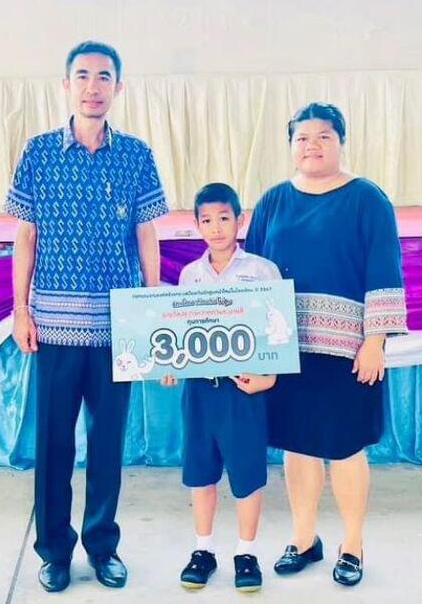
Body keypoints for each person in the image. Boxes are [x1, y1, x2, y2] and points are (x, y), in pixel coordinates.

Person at [6, 41, 168, 593]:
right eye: (82, 76)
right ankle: (53, 551)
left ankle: (103, 546)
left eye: (103, 77)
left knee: (107, 443)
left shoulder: (136, 154)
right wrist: (21, 310)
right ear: (66, 85)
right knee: (54, 443)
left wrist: (152, 308)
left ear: (118, 88)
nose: (92, 87)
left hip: (119, 327)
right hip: (53, 325)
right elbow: (25, 236)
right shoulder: (38, 152)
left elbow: (146, 231)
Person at [245, 102, 407, 587]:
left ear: (341, 142)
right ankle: (303, 539)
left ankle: (352, 544)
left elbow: (384, 270)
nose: (311, 146)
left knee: (346, 448)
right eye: (302, 138)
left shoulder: (367, 199)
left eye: (323, 137)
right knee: (297, 447)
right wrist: (254, 347)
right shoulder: (273, 201)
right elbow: (251, 275)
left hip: (348, 349)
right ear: (290, 145)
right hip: (286, 348)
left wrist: (375, 341)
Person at [160, 183, 280, 593]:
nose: (216, 228)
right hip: (199, 391)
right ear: (197, 225)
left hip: (244, 392)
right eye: (207, 220)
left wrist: (268, 377)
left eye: (224, 218)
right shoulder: (190, 275)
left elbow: (277, 331)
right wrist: (169, 363)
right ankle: (203, 550)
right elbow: (179, 332)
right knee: (200, 472)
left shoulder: (262, 271)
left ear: (239, 220)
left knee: (247, 473)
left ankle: (246, 553)